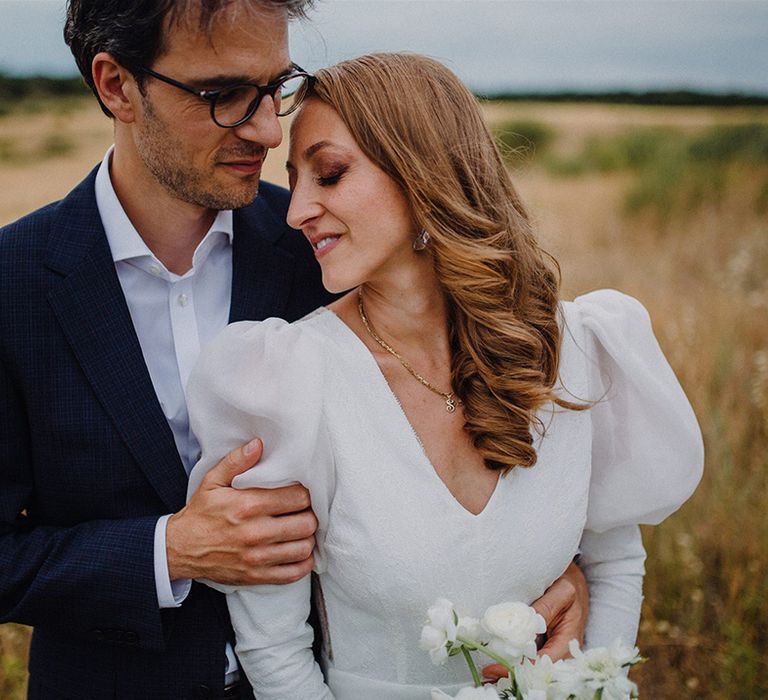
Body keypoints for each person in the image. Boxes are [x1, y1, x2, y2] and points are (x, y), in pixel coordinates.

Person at [0, 4, 588, 699]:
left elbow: (459, 441)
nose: (265, 128)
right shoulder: (15, 283)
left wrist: (553, 574)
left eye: (275, 86)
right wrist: (170, 551)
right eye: (222, 95)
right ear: (116, 86)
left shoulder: (332, 249)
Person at [186, 53, 704, 699]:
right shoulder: (289, 377)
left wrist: (590, 686)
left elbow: (616, 562)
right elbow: (275, 647)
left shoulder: (574, 349)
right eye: (295, 181)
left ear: (423, 172)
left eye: (330, 173)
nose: (297, 211)